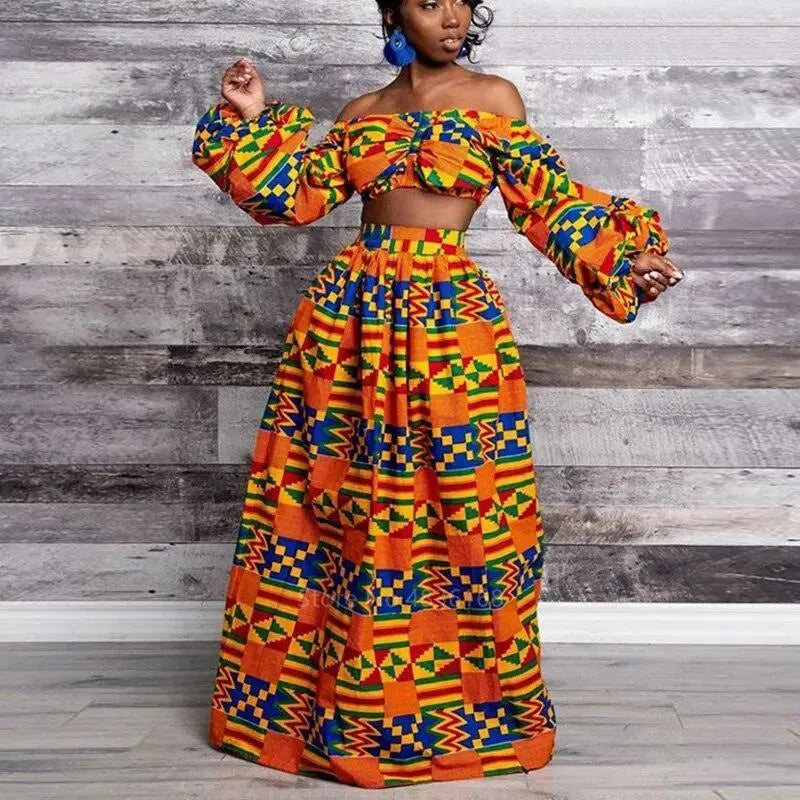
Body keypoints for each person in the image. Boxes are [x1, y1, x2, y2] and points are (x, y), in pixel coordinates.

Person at [191, 0, 684, 789]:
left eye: (461, 0)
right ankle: (331, 712)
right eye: (430, 1)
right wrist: (250, 116)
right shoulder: (362, 113)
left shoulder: (493, 99)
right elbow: (292, 197)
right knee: (333, 505)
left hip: (450, 324)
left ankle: (459, 714)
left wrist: (625, 259)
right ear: (393, 12)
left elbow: (550, 201)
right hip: (347, 327)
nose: (452, 15)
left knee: (470, 510)